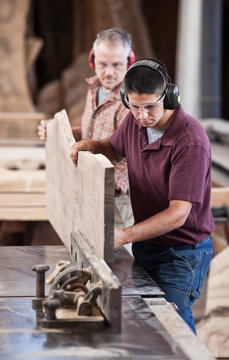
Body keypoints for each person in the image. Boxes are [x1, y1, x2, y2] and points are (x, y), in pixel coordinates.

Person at [70, 58, 215, 334]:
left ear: (169, 96)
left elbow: (178, 214)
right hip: (149, 244)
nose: (143, 116)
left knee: (173, 329)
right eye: (135, 106)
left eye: (150, 106)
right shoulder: (135, 122)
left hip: (182, 252)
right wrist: (91, 146)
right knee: (151, 326)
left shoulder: (190, 142)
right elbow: (114, 149)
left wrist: (124, 234)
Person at [38, 28, 135, 228]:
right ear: (93, 61)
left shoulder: (131, 103)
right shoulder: (95, 88)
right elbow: (90, 133)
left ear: (129, 62)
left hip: (116, 196)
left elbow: (131, 154)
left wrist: (110, 188)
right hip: (91, 187)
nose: (108, 72)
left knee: (120, 253)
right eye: (103, 64)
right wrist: (56, 132)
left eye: (116, 65)